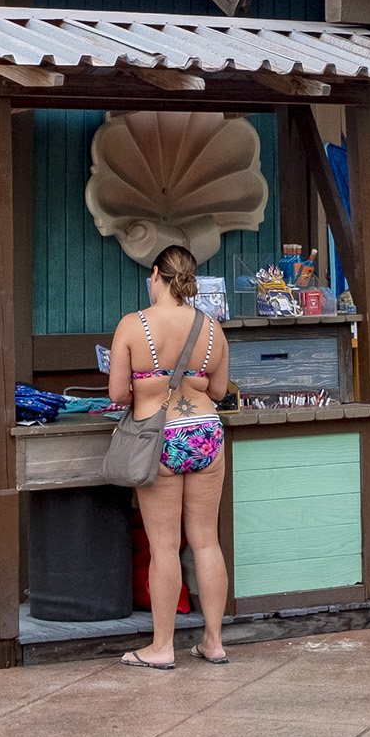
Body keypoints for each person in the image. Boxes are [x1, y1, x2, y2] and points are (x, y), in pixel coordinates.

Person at [107, 244, 231, 670]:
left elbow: (117, 393)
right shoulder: (212, 328)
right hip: (205, 435)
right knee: (205, 540)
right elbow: (218, 391)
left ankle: (162, 647)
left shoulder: (132, 325)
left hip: (159, 439)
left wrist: (149, 386)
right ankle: (213, 642)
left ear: (155, 273)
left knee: (164, 548)